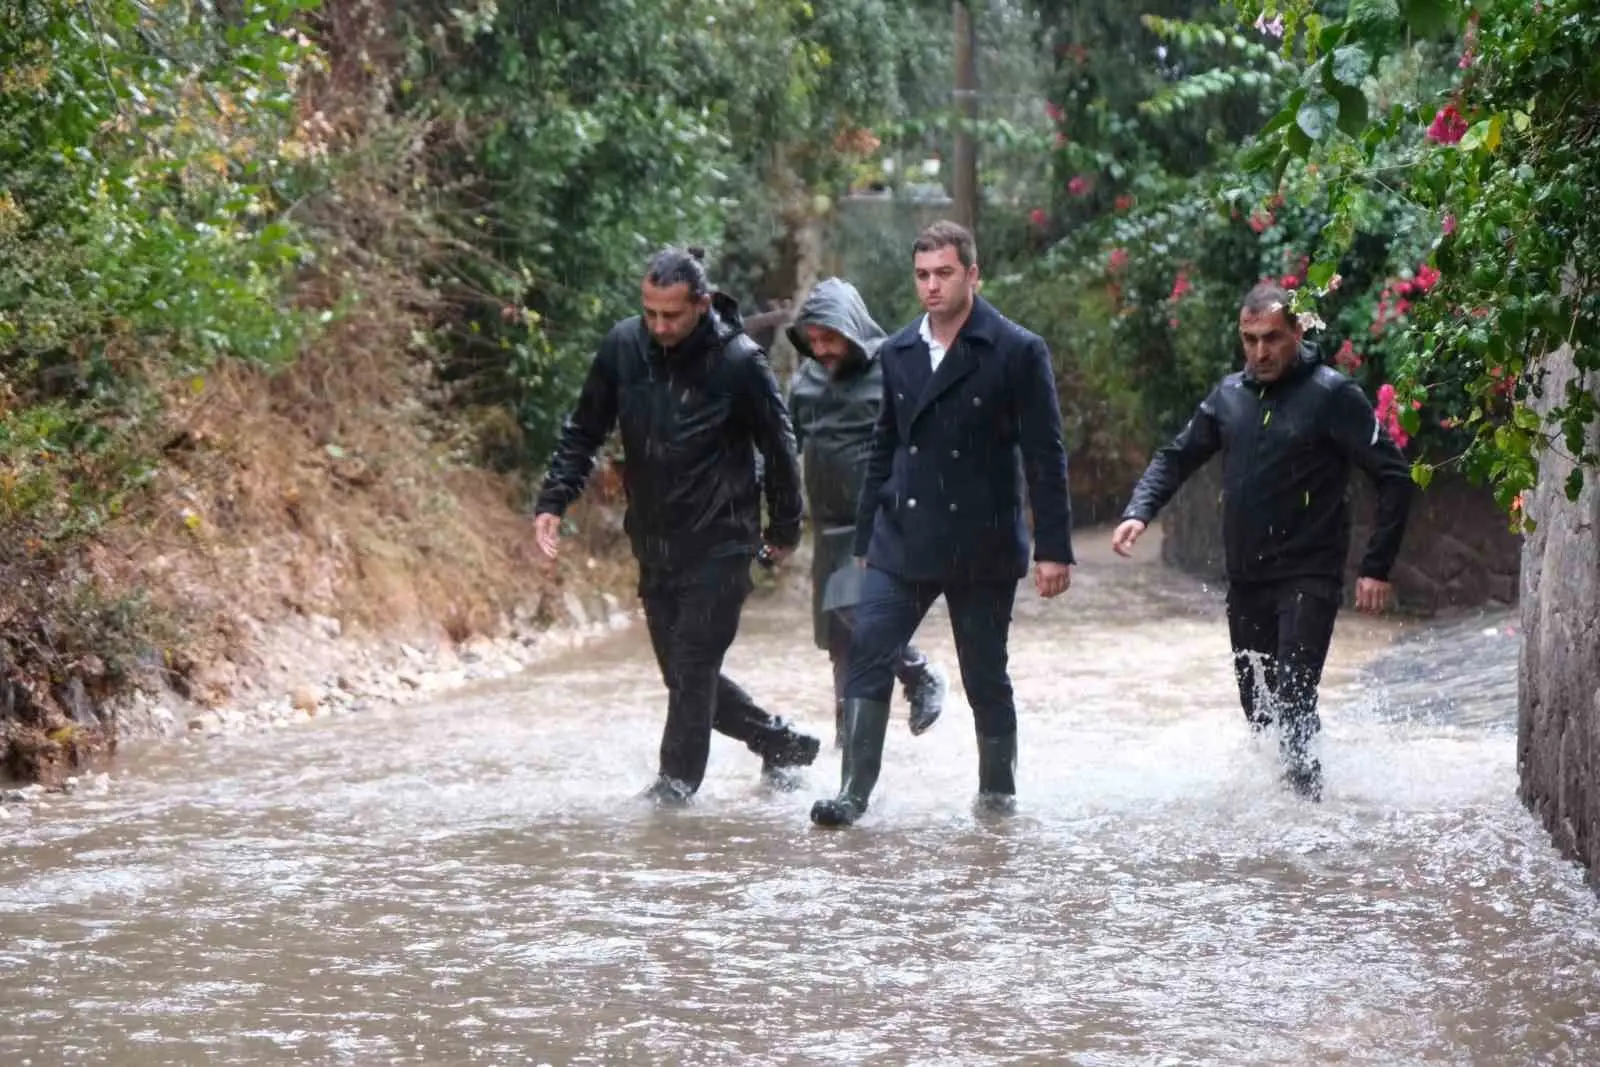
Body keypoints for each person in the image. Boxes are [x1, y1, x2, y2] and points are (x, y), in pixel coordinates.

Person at [532, 247, 821, 804]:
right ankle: (777, 741)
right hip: (656, 541)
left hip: (722, 542)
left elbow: (780, 447)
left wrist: (783, 528)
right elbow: (584, 429)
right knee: (686, 677)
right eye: (650, 314)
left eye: (672, 315)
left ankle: (673, 791)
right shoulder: (623, 347)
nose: (660, 326)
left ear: (703, 304)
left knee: (692, 668)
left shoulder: (739, 362)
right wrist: (554, 499)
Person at [810, 221, 1075, 827]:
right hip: (902, 536)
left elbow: (1045, 453)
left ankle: (997, 795)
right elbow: (885, 446)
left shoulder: (1016, 349)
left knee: (984, 672)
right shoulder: (899, 351)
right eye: (923, 275)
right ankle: (853, 792)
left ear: (972, 275)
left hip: (983, 539)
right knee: (870, 648)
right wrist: (863, 538)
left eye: (944, 273)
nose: (932, 286)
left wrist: (1054, 548)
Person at [1110, 282, 1413, 801]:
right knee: (1259, 711)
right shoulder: (1229, 396)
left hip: (1308, 576)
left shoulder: (1331, 394)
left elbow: (1395, 476)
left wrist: (1375, 566)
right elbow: (1176, 456)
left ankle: (1308, 819)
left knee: (1295, 699)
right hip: (1247, 580)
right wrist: (1140, 511)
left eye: (1272, 338)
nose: (1260, 352)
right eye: (1250, 340)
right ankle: (1280, 820)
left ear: (1297, 332)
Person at [785, 278, 948, 748]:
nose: (822, 349)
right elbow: (784, 442)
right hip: (829, 532)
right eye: (813, 340)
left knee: (857, 610)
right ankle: (850, 755)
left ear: (853, 329)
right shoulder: (807, 381)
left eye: (830, 337)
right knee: (844, 649)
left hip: (881, 527)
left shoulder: (893, 369)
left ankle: (918, 673)